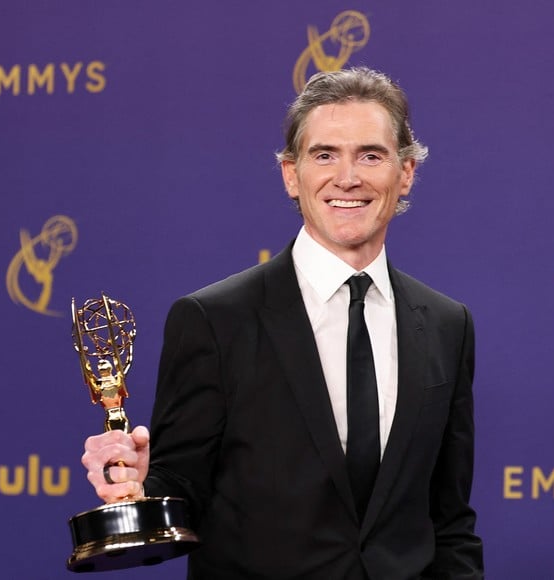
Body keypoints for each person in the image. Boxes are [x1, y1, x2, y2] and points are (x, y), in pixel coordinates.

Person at [82, 67, 484, 579]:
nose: (348, 177)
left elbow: (448, 520)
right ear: (291, 175)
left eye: (371, 155)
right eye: (324, 155)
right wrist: (139, 484)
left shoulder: (449, 325)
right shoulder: (214, 321)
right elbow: (181, 488)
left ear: (404, 172)